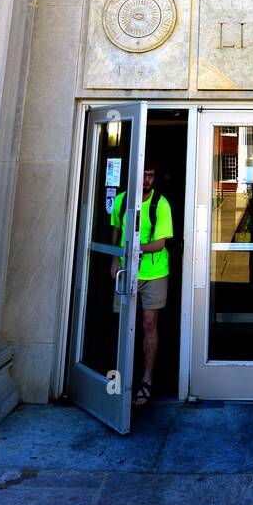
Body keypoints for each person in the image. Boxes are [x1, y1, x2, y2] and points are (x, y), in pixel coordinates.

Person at [109, 161, 172, 408]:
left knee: (149, 323)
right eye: (143, 175)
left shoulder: (161, 204)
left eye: (151, 175)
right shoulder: (122, 200)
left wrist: (134, 248)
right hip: (126, 271)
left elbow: (160, 244)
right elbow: (115, 230)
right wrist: (115, 258)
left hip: (154, 272)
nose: (146, 180)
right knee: (125, 323)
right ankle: (121, 377)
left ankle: (147, 378)